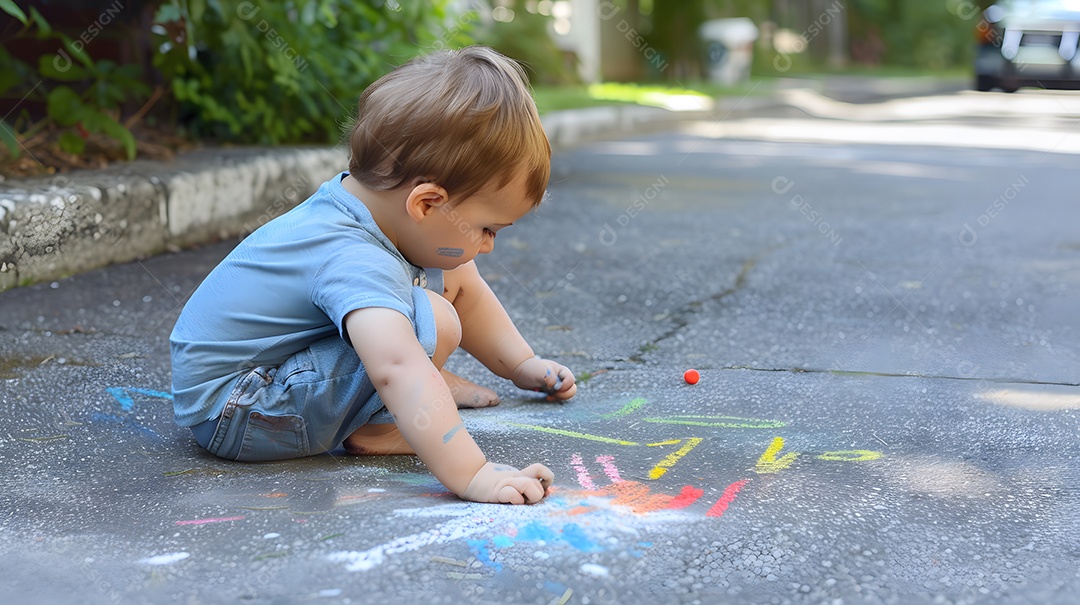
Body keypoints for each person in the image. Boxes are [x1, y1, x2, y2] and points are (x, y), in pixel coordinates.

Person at [169, 46, 576, 505]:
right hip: (241, 410)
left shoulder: (364, 208)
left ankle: (411, 399)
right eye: (487, 229)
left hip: (255, 379)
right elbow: (396, 367)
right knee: (430, 320)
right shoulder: (353, 257)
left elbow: (467, 288)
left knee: (450, 272)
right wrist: (474, 474)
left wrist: (520, 366)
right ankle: (381, 427)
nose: (487, 244)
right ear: (425, 202)